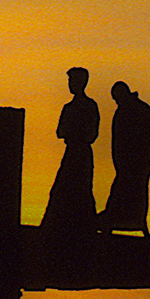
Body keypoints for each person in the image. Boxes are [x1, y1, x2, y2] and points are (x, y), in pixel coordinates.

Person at [41, 67, 100, 239]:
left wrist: (75, 134)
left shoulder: (87, 106)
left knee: (80, 188)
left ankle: (82, 226)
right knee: (67, 187)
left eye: (73, 81)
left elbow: (91, 133)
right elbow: (60, 131)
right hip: (73, 151)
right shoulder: (72, 107)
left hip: (79, 153)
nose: (70, 84)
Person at [99, 81, 150, 236]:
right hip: (125, 166)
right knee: (122, 196)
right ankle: (112, 222)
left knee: (133, 198)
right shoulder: (124, 111)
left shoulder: (139, 110)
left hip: (135, 166)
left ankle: (124, 222)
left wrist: (145, 157)